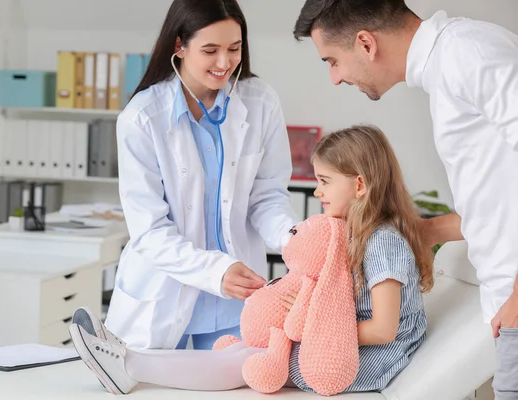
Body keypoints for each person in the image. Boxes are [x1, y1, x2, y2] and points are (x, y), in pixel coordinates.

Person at [67, 125, 433, 396]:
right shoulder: (347, 233)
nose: (317, 191)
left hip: (367, 358)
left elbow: (385, 329)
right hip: (339, 342)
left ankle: (129, 365)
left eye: (324, 181)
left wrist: (312, 325)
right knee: (247, 347)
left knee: (246, 360)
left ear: (359, 186)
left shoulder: (383, 242)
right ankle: (126, 359)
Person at [292, 1, 518, 397]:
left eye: (332, 61)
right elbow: (497, 203)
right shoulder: (447, 69)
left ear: (365, 43)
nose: (334, 78)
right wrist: (422, 230)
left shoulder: (468, 52)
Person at [83, 0, 299, 352]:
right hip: (163, 297)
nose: (224, 63)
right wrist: (216, 272)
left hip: (237, 306)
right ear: (179, 46)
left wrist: (295, 241)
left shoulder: (260, 102)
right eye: (210, 50)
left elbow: (268, 197)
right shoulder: (142, 119)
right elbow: (150, 231)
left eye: (234, 48)